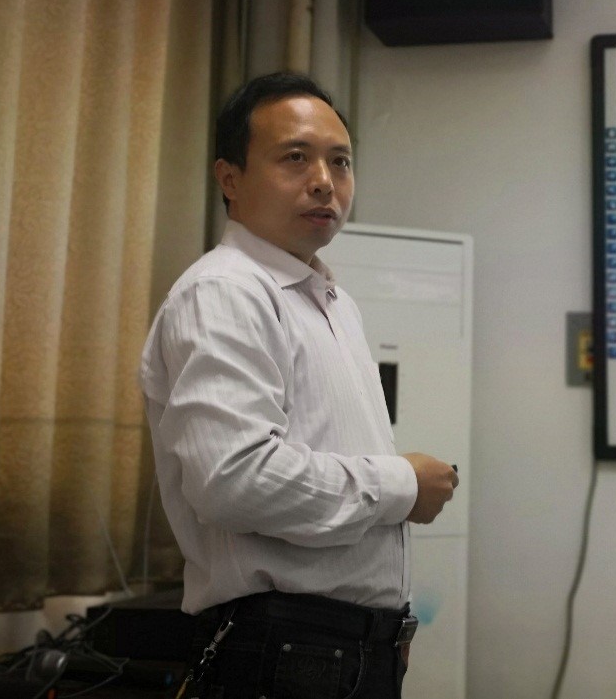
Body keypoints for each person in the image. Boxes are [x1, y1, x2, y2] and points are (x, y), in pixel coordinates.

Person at [139, 71, 459, 699]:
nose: (324, 181)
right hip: (283, 650)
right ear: (230, 178)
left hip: (344, 648)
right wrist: (403, 485)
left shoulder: (331, 301)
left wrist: (384, 626)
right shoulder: (224, 292)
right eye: (295, 157)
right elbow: (235, 480)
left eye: (340, 161)